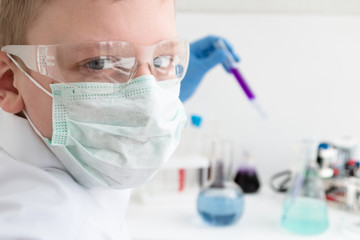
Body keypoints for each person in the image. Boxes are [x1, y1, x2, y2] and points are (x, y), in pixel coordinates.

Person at [0, 1, 239, 239]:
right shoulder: (43, 223)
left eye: (162, 60)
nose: (149, 105)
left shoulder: (78, 159)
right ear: (10, 81)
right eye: (98, 63)